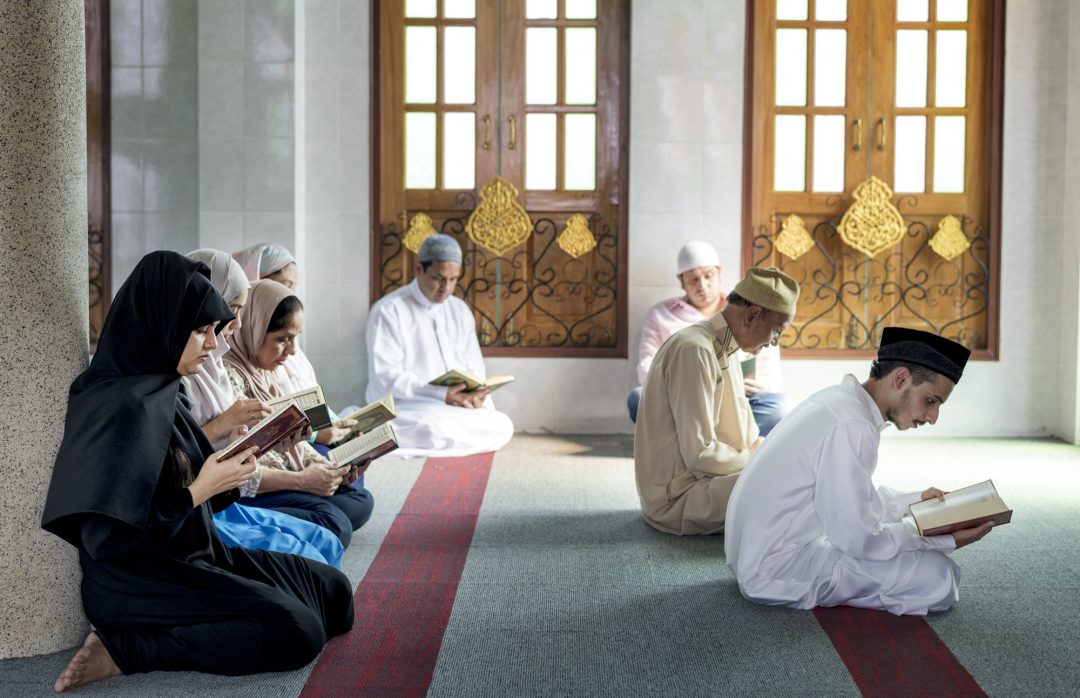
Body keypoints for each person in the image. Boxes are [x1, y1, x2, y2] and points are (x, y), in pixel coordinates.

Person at [43, 252, 353, 693]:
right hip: (141, 581)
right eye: (201, 330)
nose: (213, 343)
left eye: (213, 329)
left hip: (197, 555)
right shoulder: (118, 408)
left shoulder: (166, 390)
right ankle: (127, 651)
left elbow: (194, 479)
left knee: (335, 593)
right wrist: (198, 491)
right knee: (299, 632)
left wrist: (241, 457)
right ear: (164, 324)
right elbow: (108, 541)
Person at [724, 327, 994, 616]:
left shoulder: (839, 400)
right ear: (901, 378)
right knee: (938, 576)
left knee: (926, 564)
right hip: (776, 569)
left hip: (752, 554)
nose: (933, 417)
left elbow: (849, 502)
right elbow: (860, 539)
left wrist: (916, 502)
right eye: (931, 400)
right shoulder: (854, 425)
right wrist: (939, 539)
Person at [183, 248, 344, 568]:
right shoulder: (187, 373)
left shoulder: (214, 364)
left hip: (226, 491)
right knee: (328, 532)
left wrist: (284, 442)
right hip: (212, 502)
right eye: (231, 310)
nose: (237, 324)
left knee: (332, 532)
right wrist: (226, 427)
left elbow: (232, 450)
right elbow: (179, 469)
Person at [634, 267, 799, 535]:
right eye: (775, 331)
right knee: (794, 485)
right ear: (751, 316)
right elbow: (700, 455)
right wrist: (762, 462)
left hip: (709, 479)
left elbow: (746, 438)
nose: (774, 342)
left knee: (801, 470)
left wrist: (780, 452)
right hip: (679, 498)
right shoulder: (695, 349)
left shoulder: (727, 348)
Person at [224, 279, 374, 548]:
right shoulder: (229, 376)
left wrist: (326, 470)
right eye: (283, 339)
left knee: (360, 500)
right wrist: (303, 481)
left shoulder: (269, 372)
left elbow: (293, 441)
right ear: (253, 329)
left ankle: (309, 515)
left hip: (289, 474)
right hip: (252, 490)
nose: (292, 350)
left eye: (295, 338)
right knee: (336, 522)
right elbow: (241, 466)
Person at [365, 233, 514, 458]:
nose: (446, 287)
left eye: (453, 279)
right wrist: (441, 394)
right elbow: (386, 377)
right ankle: (372, 432)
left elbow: (473, 365)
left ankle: (439, 438)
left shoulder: (459, 309)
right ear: (419, 269)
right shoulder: (389, 310)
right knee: (430, 428)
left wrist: (475, 394)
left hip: (455, 406)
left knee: (502, 425)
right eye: (439, 278)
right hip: (411, 406)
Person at [629, 241, 789, 435]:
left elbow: (768, 364)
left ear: (719, 273)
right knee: (639, 398)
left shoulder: (749, 311)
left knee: (781, 407)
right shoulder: (660, 315)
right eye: (693, 279)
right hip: (684, 402)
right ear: (681, 280)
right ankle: (720, 438)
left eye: (708, 276)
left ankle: (699, 437)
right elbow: (647, 367)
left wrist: (760, 385)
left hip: (739, 400)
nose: (702, 286)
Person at [232, 242, 353, 451]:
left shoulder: (281, 350)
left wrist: (332, 422)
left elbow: (307, 393)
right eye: (282, 284)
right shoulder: (242, 354)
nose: (287, 293)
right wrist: (315, 434)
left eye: (292, 286)